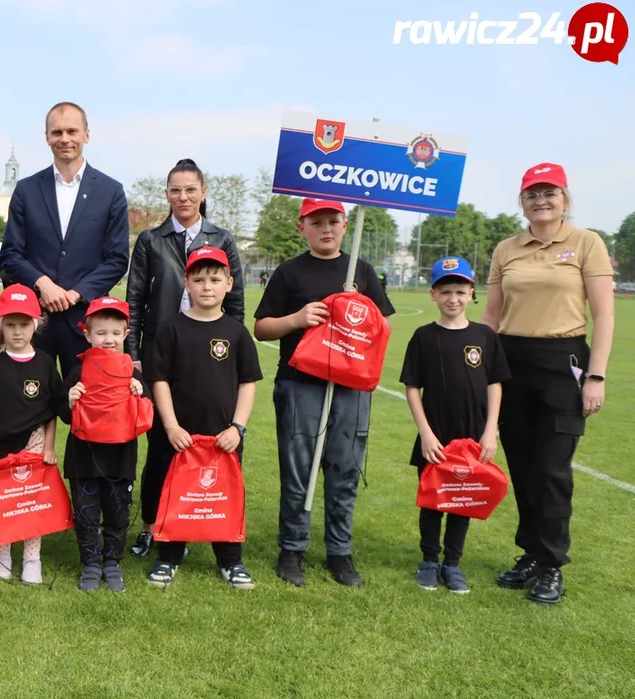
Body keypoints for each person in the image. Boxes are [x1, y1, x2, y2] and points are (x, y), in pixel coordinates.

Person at [482, 163, 615, 605]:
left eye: (549, 193)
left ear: (565, 198)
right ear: (522, 201)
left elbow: (605, 315)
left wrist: (595, 376)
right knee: (521, 465)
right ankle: (532, 554)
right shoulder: (507, 248)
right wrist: (480, 366)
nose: (541, 201)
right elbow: (492, 316)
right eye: (532, 194)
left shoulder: (586, 242)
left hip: (564, 361)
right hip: (511, 361)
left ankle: (553, 563)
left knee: (553, 469)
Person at [253, 198, 395, 588]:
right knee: (299, 470)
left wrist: (358, 309)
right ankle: (292, 548)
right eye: (317, 222)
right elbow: (261, 327)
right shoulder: (289, 272)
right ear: (302, 228)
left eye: (333, 221)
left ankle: (340, 552)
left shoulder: (360, 271)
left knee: (345, 469)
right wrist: (298, 319)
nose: (326, 229)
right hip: (300, 386)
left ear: (346, 225)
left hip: (349, 388)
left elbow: (382, 328)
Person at [124, 157, 246, 558]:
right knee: (161, 447)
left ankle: (205, 522)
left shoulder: (222, 239)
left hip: (208, 357)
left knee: (210, 445)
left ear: (203, 192)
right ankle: (151, 526)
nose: (183, 197)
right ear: (167, 194)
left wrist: (227, 357)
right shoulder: (151, 240)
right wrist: (135, 357)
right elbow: (136, 301)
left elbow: (238, 307)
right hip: (161, 357)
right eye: (175, 190)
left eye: (190, 189)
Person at [146, 247, 262, 590]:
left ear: (229, 283)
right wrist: (170, 425)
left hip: (224, 437)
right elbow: (160, 381)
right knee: (176, 496)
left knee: (224, 496)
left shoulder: (237, 332)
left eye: (214, 279)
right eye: (198, 280)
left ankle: (231, 561)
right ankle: (168, 558)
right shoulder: (172, 329)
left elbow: (248, 383)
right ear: (187, 284)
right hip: (180, 436)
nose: (206, 286)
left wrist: (238, 427)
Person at [400, 257, 510, 594]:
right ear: (433, 294)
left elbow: (495, 384)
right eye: (446, 291)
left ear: (472, 293)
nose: (453, 299)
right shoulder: (423, 336)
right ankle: (430, 561)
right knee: (434, 499)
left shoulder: (484, 336)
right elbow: (412, 387)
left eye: (460, 292)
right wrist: (426, 433)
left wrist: (490, 430)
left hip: (473, 437)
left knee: (463, 499)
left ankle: (453, 564)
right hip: (436, 437)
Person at [0, 102, 130, 378]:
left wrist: (76, 293)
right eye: (57, 132)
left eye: (72, 131)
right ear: (47, 137)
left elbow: (117, 258)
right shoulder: (26, 190)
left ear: (86, 134)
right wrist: (43, 284)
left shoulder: (110, 191)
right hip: (36, 318)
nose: (65, 139)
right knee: (29, 404)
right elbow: (10, 255)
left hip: (86, 322)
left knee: (88, 405)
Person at [59, 297, 148, 592]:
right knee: (86, 513)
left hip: (120, 458)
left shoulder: (133, 374)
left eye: (114, 333)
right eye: (101, 333)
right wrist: (69, 399)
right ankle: (91, 563)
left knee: (117, 512)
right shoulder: (79, 371)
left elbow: (147, 416)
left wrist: (139, 395)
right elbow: (61, 412)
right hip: (83, 458)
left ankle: (112, 563)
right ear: (87, 335)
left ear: (125, 333)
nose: (108, 339)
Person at [0, 284, 60, 584]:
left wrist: (48, 446)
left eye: (24, 324)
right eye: (10, 324)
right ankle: (3, 554)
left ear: (37, 324)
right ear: (0, 325)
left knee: (30, 499)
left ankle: (32, 558)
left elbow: (51, 412)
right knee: (3, 500)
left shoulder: (46, 364)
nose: (17, 331)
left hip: (34, 442)